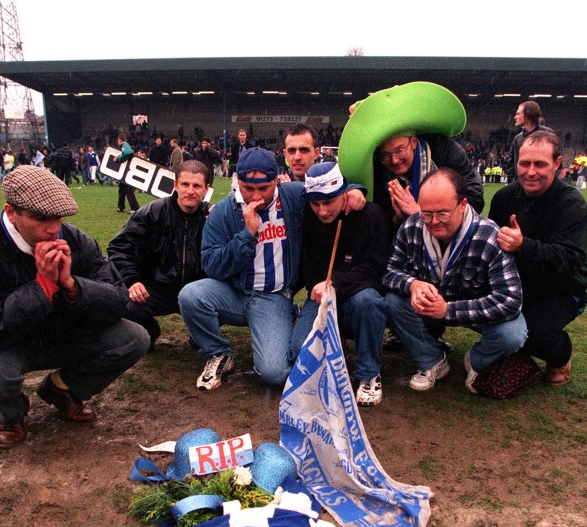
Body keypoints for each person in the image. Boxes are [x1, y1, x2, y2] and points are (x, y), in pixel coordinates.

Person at [0, 166, 149, 449]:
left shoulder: (77, 241)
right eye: (39, 218)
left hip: (64, 335)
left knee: (134, 337)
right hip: (9, 344)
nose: (53, 228)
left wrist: (71, 284)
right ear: (11, 212)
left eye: (58, 217)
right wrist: (42, 286)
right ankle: (12, 413)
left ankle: (63, 389)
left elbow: (117, 300)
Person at [383, 168, 526, 393]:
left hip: (473, 310)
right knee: (392, 301)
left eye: (442, 213)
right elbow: (390, 271)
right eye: (427, 213)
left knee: (513, 333)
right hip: (428, 308)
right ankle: (431, 361)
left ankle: (476, 360)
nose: (433, 222)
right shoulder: (411, 227)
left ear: (463, 204)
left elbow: (510, 300)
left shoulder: (489, 236)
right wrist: (413, 284)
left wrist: (448, 310)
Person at [178, 148, 306, 390]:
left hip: (272, 297)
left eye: (264, 188)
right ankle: (218, 352)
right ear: (238, 181)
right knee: (191, 295)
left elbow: (330, 191)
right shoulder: (223, 212)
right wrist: (247, 235)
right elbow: (212, 265)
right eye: (249, 188)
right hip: (234, 293)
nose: (256, 196)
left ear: (276, 181)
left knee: (274, 373)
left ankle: (289, 314)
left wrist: (355, 191)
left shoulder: (293, 197)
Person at [488, 131, 587, 385]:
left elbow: (571, 260)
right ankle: (515, 352)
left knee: (535, 333)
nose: (530, 172)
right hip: (520, 282)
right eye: (524, 164)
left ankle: (560, 355)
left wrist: (523, 245)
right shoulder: (504, 197)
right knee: (481, 310)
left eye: (540, 164)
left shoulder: (571, 203)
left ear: (557, 164)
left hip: (563, 286)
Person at [290, 163, 390, 405]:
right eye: (316, 204)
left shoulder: (372, 215)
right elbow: (310, 267)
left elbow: (376, 270)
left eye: (328, 202)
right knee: (297, 354)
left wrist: (335, 281)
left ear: (344, 194)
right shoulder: (308, 216)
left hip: (357, 295)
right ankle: (334, 350)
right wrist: (322, 285)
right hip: (321, 299)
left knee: (369, 302)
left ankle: (368, 373)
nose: (322, 211)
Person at [107, 160, 211, 349]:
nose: (190, 191)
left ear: (206, 189)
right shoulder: (151, 212)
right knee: (125, 304)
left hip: (197, 291)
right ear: (175, 185)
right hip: (156, 289)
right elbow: (120, 248)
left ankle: (200, 335)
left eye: (197, 186)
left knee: (219, 299)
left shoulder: (212, 217)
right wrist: (132, 280)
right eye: (185, 184)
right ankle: (149, 332)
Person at [374, 132, 484, 235]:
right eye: (385, 155)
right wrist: (397, 220)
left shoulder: (444, 150)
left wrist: (423, 213)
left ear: (413, 142)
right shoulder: (378, 168)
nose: (394, 160)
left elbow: (475, 200)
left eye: (399, 151)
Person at [506, 101, 553, 182]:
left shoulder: (547, 135)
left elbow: (555, 161)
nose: (515, 117)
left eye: (518, 114)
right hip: (521, 188)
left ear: (527, 115)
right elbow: (511, 165)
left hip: (543, 188)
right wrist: (512, 185)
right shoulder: (517, 139)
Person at [115, 133, 140, 213]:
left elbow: (128, 153)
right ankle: (121, 207)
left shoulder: (125, 145)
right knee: (121, 189)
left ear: (119, 140)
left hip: (127, 171)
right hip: (125, 172)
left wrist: (118, 158)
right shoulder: (125, 146)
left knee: (128, 190)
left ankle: (135, 208)